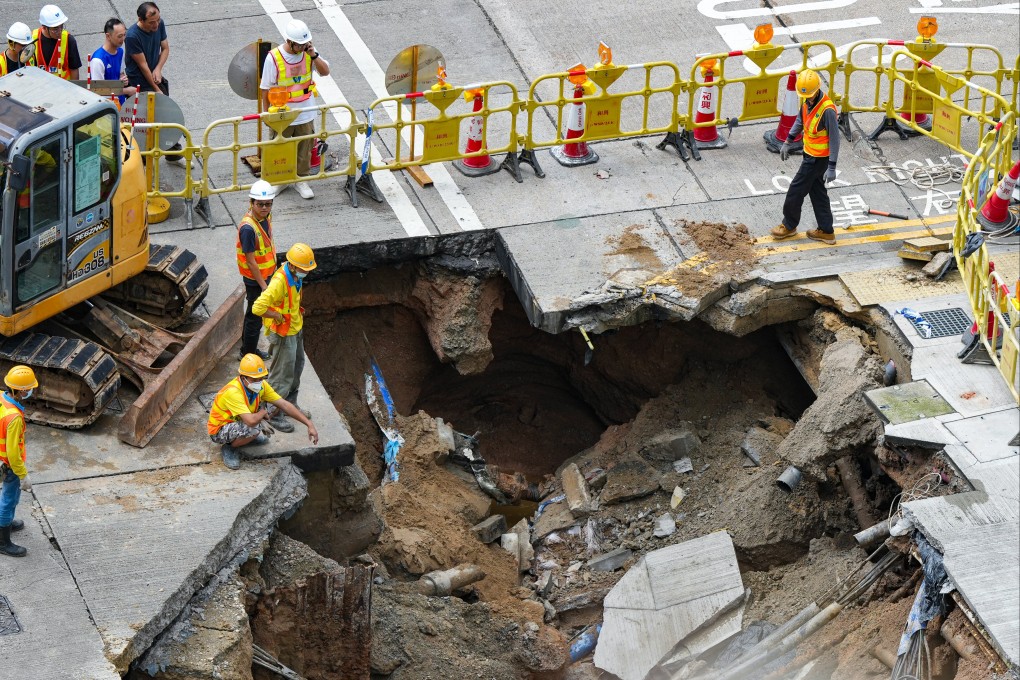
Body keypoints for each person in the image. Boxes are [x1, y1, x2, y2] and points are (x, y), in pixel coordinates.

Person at [207, 354, 317, 470]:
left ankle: (246, 438)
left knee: (274, 406)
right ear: (243, 377)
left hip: (239, 420)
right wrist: (262, 414)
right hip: (219, 430)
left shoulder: (261, 385)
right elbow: (250, 421)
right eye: (254, 380)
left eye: (260, 378)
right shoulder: (233, 392)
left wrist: (309, 424)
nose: (258, 382)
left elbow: (284, 404)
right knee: (254, 427)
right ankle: (230, 447)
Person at [260, 19, 330, 200]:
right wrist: (266, 114)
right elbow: (265, 88)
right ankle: (280, 181)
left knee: (305, 148)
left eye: (305, 43)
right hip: (282, 113)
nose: (302, 47)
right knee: (279, 147)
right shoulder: (274, 57)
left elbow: (325, 72)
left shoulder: (309, 53)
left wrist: (314, 55)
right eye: (299, 44)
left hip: (305, 111)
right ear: (289, 41)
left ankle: (301, 180)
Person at [770, 69, 840, 245]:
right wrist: (788, 141)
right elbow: (800, 121)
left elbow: (835, 139)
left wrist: (832, 166)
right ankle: (826, 231)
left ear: (817, 89)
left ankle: (789, 225)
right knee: (818, 193)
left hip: (817, 159)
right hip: (809, 154)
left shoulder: (827, 110)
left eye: (809, 95)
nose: (807, 98)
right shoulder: (807, 101)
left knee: (795, 190)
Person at [252, 243, 316, 432]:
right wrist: (276, 316)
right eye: (304, 269)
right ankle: (273, 413)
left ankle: (290, 404)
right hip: (283, 333)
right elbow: (257, 308)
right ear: (293, 266)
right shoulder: (280, 282)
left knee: (297, 366)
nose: (307, 272)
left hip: (295, 328)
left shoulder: (294, 276)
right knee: (282, 374)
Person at [125, 2, 186, 166]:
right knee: (143, 125)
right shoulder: (132, 36)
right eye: (152, 22)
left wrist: (158, 68)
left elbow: (165, 48)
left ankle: (173, 155)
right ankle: (142, 162)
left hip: (154, 77)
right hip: (139, 83)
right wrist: (157, 89)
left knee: (167, 116)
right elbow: (143, 66)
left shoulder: (159, 23)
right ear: (141, 20)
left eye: (158, 20)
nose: (156, 25)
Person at [0, 366, 39, 558]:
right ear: (21, 391)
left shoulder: (1, 397)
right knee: (8, 500)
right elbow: (13, 454)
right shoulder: (14, 418)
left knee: (10, 498)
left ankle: (5, 523)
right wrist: (23, 474)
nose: (31, 390)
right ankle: (2, 542)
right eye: (29, 388)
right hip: (9, 465)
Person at [237, 180, 278, 360]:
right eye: (260, 204)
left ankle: (247, 349)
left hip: (265, 275)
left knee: (252, 314)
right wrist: (264, 286)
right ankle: (248, 355)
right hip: (255, 279)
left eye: (268, 204)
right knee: (255, 317)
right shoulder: (248, 229)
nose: (264, 208)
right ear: (252, 203)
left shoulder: (265, 217)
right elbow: (251, 261)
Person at [89, 18, 136, 106]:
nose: (123, 39)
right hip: (106, 107)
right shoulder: (97, 61)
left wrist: (122, 80)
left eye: (124, 35)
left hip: (120, 103)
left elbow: (120, 73)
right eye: (119, 36)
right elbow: (98, 90)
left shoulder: (120, 51)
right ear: (108, 36)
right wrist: (127, 91)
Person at [32, 4, 81, 80]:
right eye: (55, 29)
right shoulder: (33, 39)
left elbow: (74, 69)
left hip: (62, 86)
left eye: (61, 26)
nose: (60, 31)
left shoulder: (69, 40)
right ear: (44, 27)